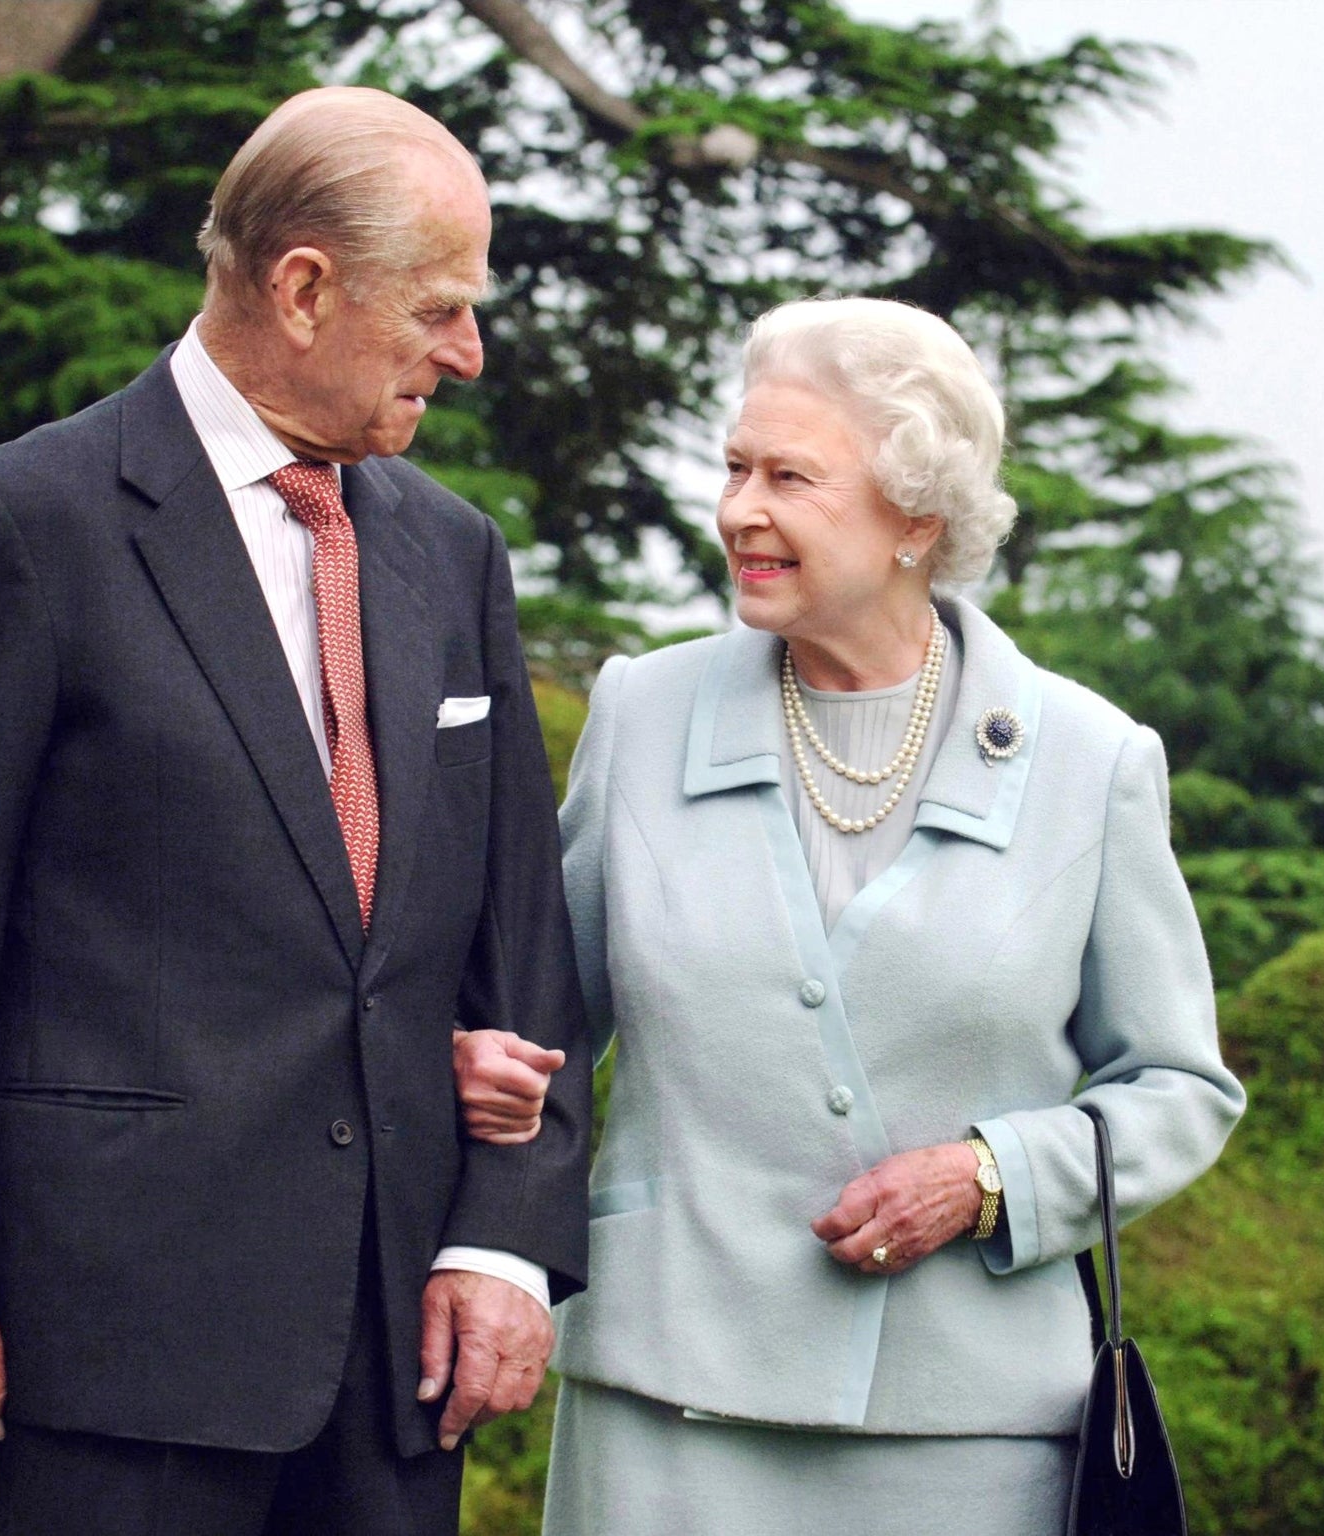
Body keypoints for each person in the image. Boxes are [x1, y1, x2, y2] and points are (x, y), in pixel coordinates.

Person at [0, 87, 590, 1535]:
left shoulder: (452, 551)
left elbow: (520, 938)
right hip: (114, 1347)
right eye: (440, 306)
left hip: (397, 1357)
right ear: (303, 287)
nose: (469, 354)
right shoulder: (21, 528)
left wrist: (508, 1241)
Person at [457, 297, 1246, 1535]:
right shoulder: (643, 714)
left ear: (914, 521)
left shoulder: (1087, 759)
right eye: (731, 467)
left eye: (788, 477)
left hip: (969, 1434)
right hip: (666, 1410)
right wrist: (477, 1055)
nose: (737, 510)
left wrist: (990, 1175)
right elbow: (537, 1015)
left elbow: (1175, 1088)